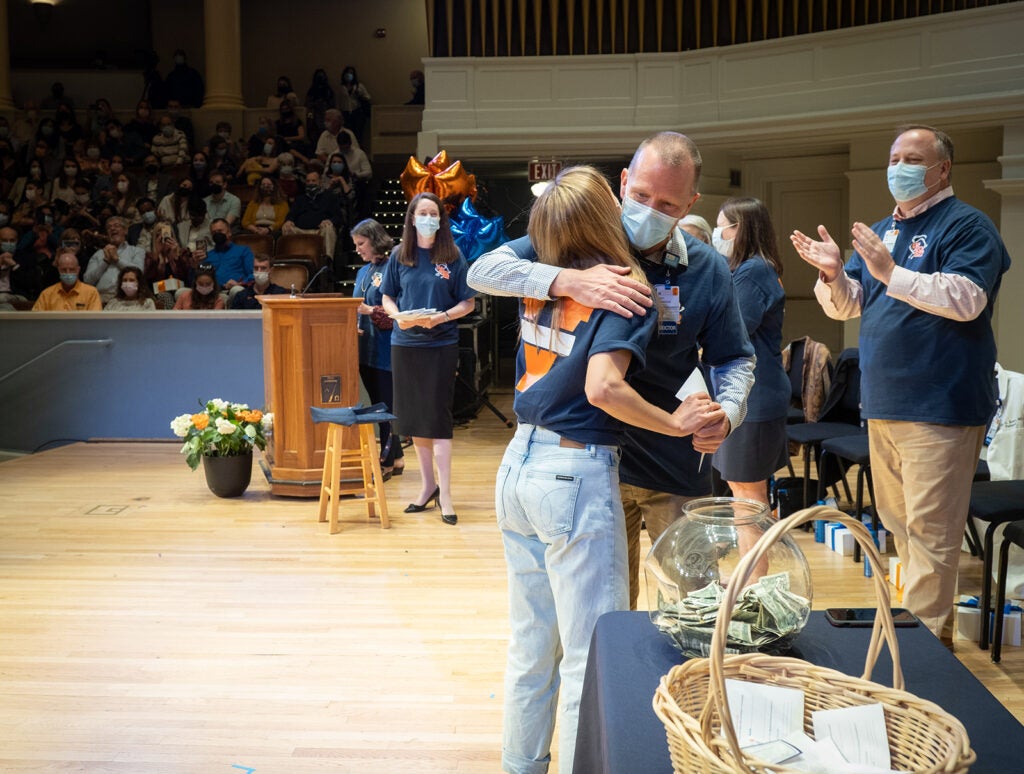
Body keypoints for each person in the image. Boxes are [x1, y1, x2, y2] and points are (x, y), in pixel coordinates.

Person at [494, 165, 724, 774]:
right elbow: (604, 387)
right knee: (588, 655)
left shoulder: (540, 274)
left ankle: (522, 763)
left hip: (518, 459)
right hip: (574, 468)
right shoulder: (628, 287)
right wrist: (675, 423)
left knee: (531, 642)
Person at [468, 131, 755, 609]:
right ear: (623, 182)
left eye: (666, 202)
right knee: (607, 615)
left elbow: (734, 357)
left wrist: (726, 413)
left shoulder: (707, 268)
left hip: (676, 463)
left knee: (692, 607)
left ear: (690, 204)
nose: (649, 209)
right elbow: (482, 271)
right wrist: (569, 280)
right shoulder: (580, 240)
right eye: (641, 195)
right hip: (595, 465)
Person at [791, 124, 1011, 641]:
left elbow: (966, 298)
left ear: (942, 169)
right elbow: (850, 305)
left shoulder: (966, 226)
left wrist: (890, 273)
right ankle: (924, 635)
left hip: (942, 404)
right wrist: (832, 277)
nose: (898, 168)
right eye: (893, 158)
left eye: (911, 158)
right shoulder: (881, 231)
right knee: (899, 525)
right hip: (885, 402)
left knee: (932, 533)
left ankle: (922, 652)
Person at [379, 192, 476, 526]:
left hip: (440, 344)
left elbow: (468, 303)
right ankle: (427, 486)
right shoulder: (399, 255)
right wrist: (397, 317)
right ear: (411, 217)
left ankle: (446, 493)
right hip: (405, 344)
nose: (428, 218)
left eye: (433, 213)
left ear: (440, 219)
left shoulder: (452, 255)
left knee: (437, 417)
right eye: (422, 212)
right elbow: (388, 296)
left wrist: (442, 317)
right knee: (414, 419)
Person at [710, 198, 789, 505]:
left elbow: (732, 330)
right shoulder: (748, 268)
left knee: (748, 495)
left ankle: (759, 556)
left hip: (755, 397)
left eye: (722, 228)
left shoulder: (754, 271)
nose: (719, 236)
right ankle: (753, 556)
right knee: (742, 491)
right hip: (749, 395)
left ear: (740, 229)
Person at [352, 218, 404, 478]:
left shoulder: (394, 266)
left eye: (361, 243)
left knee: (385, 407)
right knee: (377, 404)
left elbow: (401, 310)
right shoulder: (362, 272)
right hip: (365, 348)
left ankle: (385, 462)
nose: (358, 249)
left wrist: (370, 310)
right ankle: (398, 458)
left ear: (374, 239)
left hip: (386, 349)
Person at [83, 216, 145, 304]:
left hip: (127, 298)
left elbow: (139, 272)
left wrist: (117, 260)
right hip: (100, 299)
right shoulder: (98, 254)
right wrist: (105, 262)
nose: (112, 228)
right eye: (109, 227)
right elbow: (87, 281)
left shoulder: (137, 251)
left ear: (125, 231)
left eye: (116, 225)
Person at [282, 169, 342, 260]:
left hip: (320, 230)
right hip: (301, 231)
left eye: (313, 181)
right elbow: (291, 214)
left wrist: (330, 221)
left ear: (320, 182)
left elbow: (338, 217)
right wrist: (289, 221)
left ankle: (327, 260)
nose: (311, 183)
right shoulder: (300, 199)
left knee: (329, 228)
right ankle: (289, 260)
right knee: (286, 228)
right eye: (308, 181)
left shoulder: (330, 197)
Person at [32, 249, 101, 311]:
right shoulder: (47, 294)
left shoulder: (91, 293)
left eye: (72, 269)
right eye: (64, 270)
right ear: (59, 270)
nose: (68, 273)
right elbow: (36, 321)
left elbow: (95, 322)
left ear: (78, 270)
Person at [204, 218, 254, 300]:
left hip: (234, 290)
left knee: (237, 291)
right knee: (181, 292)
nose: (217, 234)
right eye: (214, 233)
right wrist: (195, 264)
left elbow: (252, 274)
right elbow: (198, 279)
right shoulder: (208, 255)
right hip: (212, 292)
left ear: (229, 232)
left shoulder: (243, 251)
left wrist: (239, 283)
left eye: (220, 231)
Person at [338, 66, 371, 144]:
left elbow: (368, 97)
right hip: (346, 113)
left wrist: (359, 94)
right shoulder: (341, 88)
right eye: (347, 73)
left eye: (351, 73)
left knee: (358, 134)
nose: (349, 75)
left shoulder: (359, 86)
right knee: (348, 134)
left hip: (357, 112)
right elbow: (339, 101)